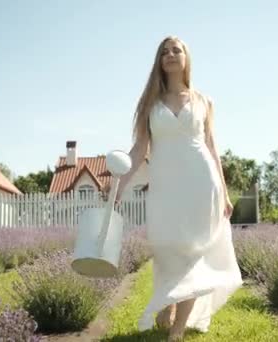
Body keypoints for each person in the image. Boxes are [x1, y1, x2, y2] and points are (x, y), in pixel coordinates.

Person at [116, 36, 243, 341]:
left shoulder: (203, 101)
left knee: (193, 251)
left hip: (201, 182)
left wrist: (224, 192)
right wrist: (119, 184)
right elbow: (138, 150)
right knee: (166, 247)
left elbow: (212, 148)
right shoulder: (150, 103)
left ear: (186, 58)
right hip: (165, 187)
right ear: (159, 62)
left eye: (177, 50)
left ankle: (178, 329)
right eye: (165, 52)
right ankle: (168, 301)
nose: (171, 55)